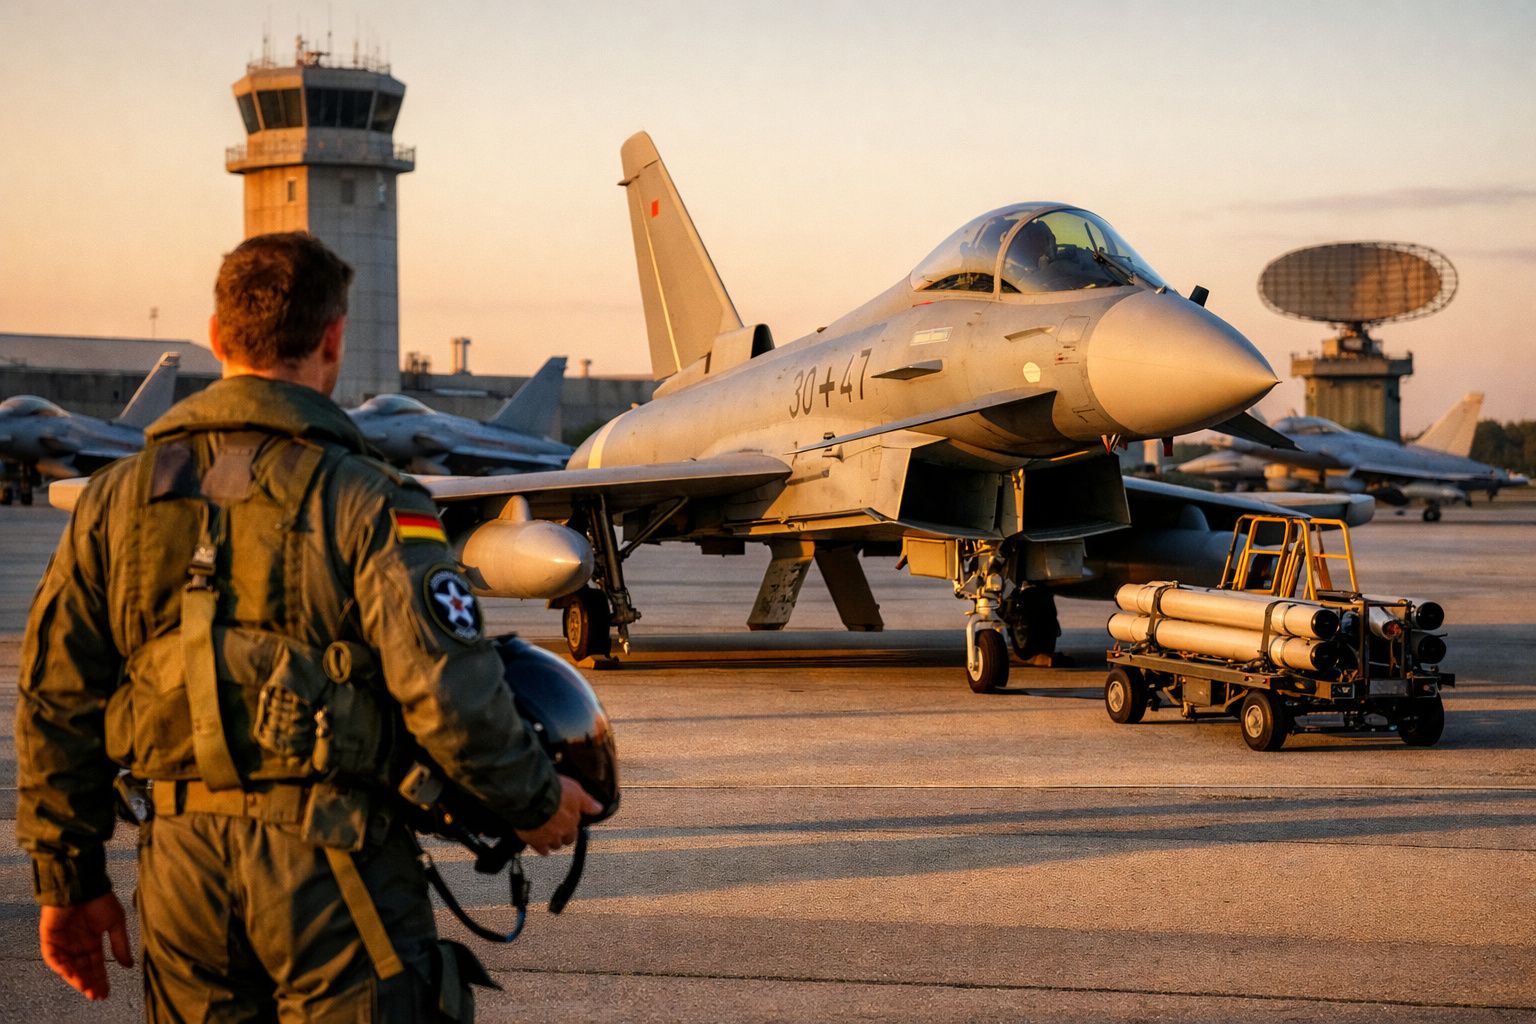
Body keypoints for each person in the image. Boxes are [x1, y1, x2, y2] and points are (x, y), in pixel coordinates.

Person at [16, 231, 601, 1020]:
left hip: (181, 877)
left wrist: (68, 881)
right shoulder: (371, 499)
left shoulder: (114, 500)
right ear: (333, 338)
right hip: (335, 867)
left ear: (217, 335)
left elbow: (56, 700)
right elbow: (447, 690)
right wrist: (534, 800)